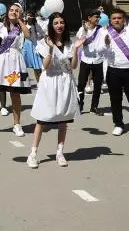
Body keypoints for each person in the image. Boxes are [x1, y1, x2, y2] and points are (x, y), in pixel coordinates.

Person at [27, 12, 85, 168]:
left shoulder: (69, 43)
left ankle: (60, 152)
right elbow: (45, 66)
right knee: (42, 120)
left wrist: (76, 50)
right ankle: (33, 154)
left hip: (65, 82)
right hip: (50, 83)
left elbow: (73, 66)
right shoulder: (44, 42)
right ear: (51, 26)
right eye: (56, 23)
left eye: (61, 22)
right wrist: (51, 48)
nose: (59, 25)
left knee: (63, 120)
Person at [0, 3, 32, 136]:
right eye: (11, 10)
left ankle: (17, 124)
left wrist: (20, 20)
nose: (13, 12)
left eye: (16, 10)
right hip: (0, 62)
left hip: (15, 63)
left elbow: (28, 35)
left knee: (15, 95)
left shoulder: (21, 27)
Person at [102, 10, 129, 136]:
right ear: (110, 20)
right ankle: (118, 124)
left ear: (124, 19)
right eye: (114, 18)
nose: (116, 20)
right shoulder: (104, 32)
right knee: (115, 99)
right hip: (113, 70)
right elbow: (100, 53)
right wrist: (106, 44)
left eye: (119, 18)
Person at [75, 9, 105, 114]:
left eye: (99, 17)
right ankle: (80, 104)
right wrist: (84, 30)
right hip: (85, 60)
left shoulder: (101, 30)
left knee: (97, 85)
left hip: (98, 60)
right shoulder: (82, 29)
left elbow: (106, 39)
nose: (98, 19)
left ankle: (94, 107)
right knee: (81, 84)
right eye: (96, 17)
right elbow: (79, 39)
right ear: (89, 18)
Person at [23, 11, 44, 82]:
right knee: (29, 65)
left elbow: (42, 33)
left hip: (34, 45)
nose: (29, 17)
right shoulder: (24, 25)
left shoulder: (35, 25)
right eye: (28, 16)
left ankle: (40, 81)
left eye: (30, 16)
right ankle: (36, 81)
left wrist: (40, 38)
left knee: (37, 65)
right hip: (27, 46)